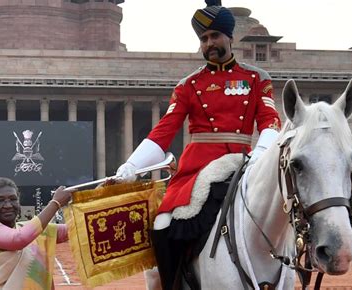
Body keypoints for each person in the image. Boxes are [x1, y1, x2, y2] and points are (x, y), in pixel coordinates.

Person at [115, 1, 281, 289]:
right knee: (163, 224)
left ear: (230, 37)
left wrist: (261, 156)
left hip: (244, 163)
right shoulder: (188, 85)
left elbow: (270, 122)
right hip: (197, 171)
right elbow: (163, 131)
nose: (209, 43)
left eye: (215, 36)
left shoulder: (257, 79)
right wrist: (132, 165)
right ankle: (173, 283)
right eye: (203, 39)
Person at [0, 177, 74, 290]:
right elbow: (19, 239)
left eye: (13, 199)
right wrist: (55, 203)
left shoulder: (28, 228)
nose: (8, 205)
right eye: (0, 200)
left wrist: (94, 202)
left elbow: (72, 230)